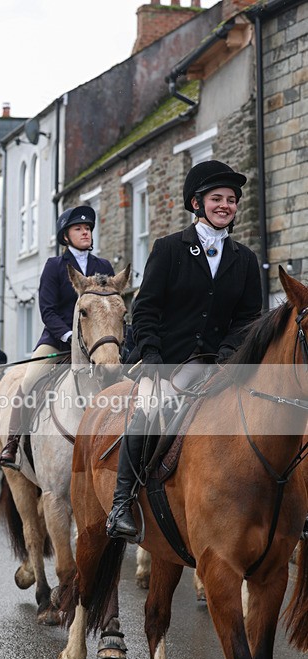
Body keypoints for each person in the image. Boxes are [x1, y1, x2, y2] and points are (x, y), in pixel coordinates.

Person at [106, 160, 263, 543]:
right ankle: (121, 504)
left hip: (221, 364)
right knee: (147, 408)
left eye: (231, 200)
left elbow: (248, 319)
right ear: (197, 203)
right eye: (217, 199)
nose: (225, 205)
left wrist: (226, 356)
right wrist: (155, 359)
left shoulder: (244, 260)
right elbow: (146, 309)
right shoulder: (169, 249)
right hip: (167, 361)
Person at [0, 205, 114, 468]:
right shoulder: (54, 266)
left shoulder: (103, 266)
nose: (85, 233)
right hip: (57, 340)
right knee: (28, 382)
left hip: (97, 344)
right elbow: (47, 309)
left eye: (88, 229)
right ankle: (13, 444)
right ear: (65, 236)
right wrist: (69, 335)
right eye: (79, 229)